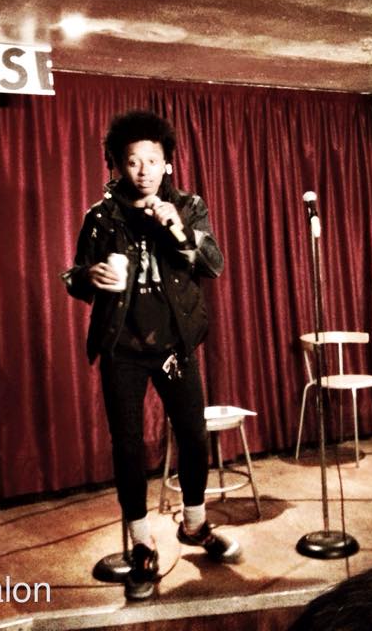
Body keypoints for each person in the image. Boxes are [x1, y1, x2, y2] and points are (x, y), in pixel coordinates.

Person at [63, 110, 238, 601]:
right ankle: (142, 544)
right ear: (118, 165)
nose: (143, 170)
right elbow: (75, 276)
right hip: (123, 347)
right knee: (128, 445)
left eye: (153, 160)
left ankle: (195, 525)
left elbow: (213, 265)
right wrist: (89, 276)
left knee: (193, 434)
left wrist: (177, 228)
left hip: (174, 344)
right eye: (133, 161)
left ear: (168, 164)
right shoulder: (101, 217)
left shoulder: (189, 206)